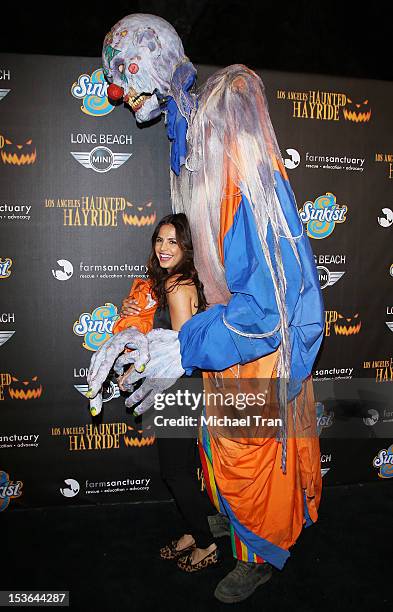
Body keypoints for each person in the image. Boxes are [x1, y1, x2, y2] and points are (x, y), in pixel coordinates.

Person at [88, 14, 325, 604]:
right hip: (226, 343)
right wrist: (139, 328)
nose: (118, 93)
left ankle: (261, 556)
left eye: (125, 73)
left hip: (255, 349)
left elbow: (268, 308)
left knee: (250, 455)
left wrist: (186, 343)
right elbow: (190, 267)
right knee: (222, 448)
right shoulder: (189, 147)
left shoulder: (225, 139)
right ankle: (235, 533)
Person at [120, 213, 219, 571]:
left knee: (175, 471)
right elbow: (157, 330)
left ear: (186, 247)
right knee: (182, 469)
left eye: (172, 242)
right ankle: (196, 531)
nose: (163, 248)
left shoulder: (177, 286)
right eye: (159, 240)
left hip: (178, 386)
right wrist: (133, 310)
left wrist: (134, 372)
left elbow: (177, 352)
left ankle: (206, 544)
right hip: (181, 386)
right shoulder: (173, 282)